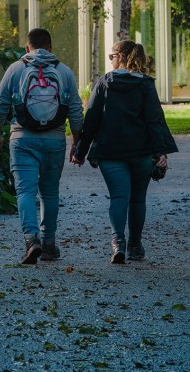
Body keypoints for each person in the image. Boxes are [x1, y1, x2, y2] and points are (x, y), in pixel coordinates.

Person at [72, 39, 178, 264]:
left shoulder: (104, 83)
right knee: (138, 199)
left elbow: (91, 118)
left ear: (121, 57)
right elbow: (155, 120)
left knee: (119, 197)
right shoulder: (146, 85)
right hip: (141, 152)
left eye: (112, 56)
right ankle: (136, 246)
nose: (111, 61)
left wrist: (80, 151)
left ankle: (117, 244)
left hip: (110, 152)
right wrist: (161, 152)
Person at [0, 28, 84, 265]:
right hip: (54, 140)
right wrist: (77, 141)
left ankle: (32, 240)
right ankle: (50, 244)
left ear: (27, 48)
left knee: (25, 192)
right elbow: (75, 110)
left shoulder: (16, 68)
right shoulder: (64, 72)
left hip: (22, 139)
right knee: (50, 192)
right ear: (50, 48)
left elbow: (0, 105)